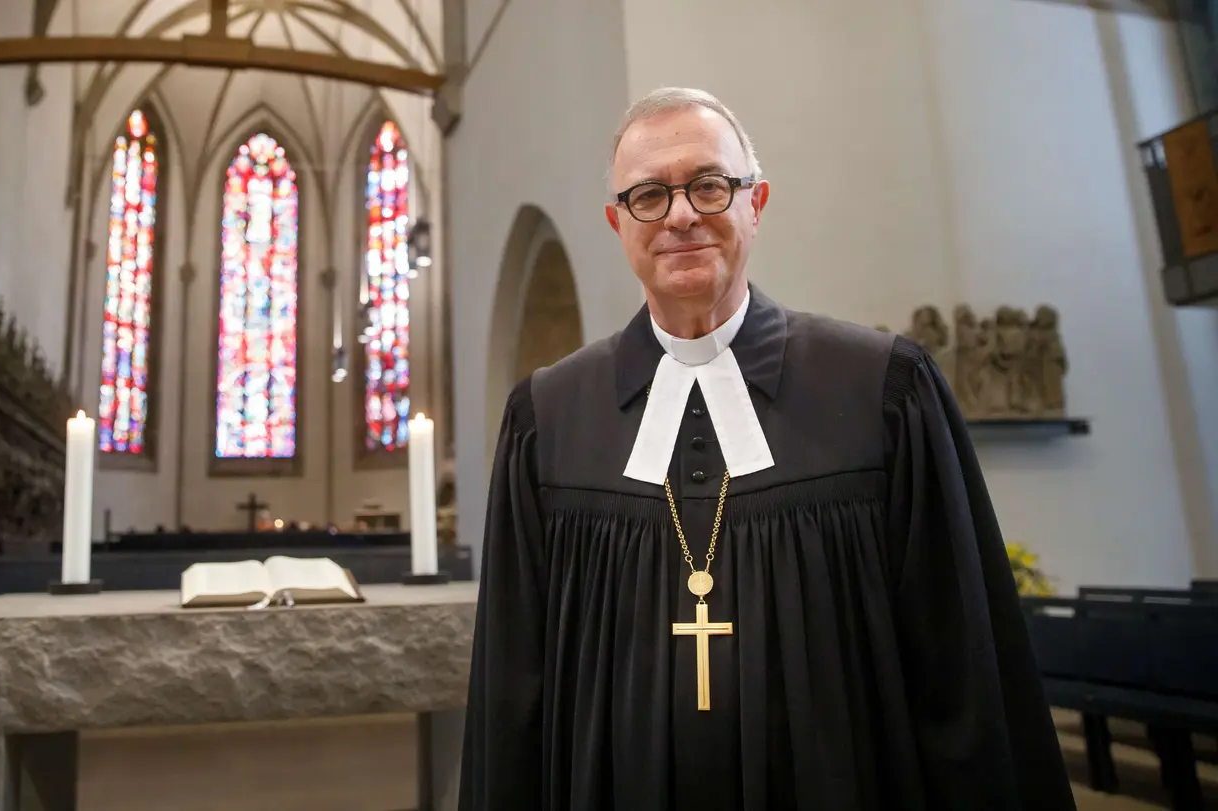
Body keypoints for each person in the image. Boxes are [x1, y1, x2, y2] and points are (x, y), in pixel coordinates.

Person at [458, 87, 1076, 811]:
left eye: (709, 184)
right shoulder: (548, 416)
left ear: (757, 201)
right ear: (617, 223)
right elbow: (513, 689)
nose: (681, 213)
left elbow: (963, 671)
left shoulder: (883, 389)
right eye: (649, 195)